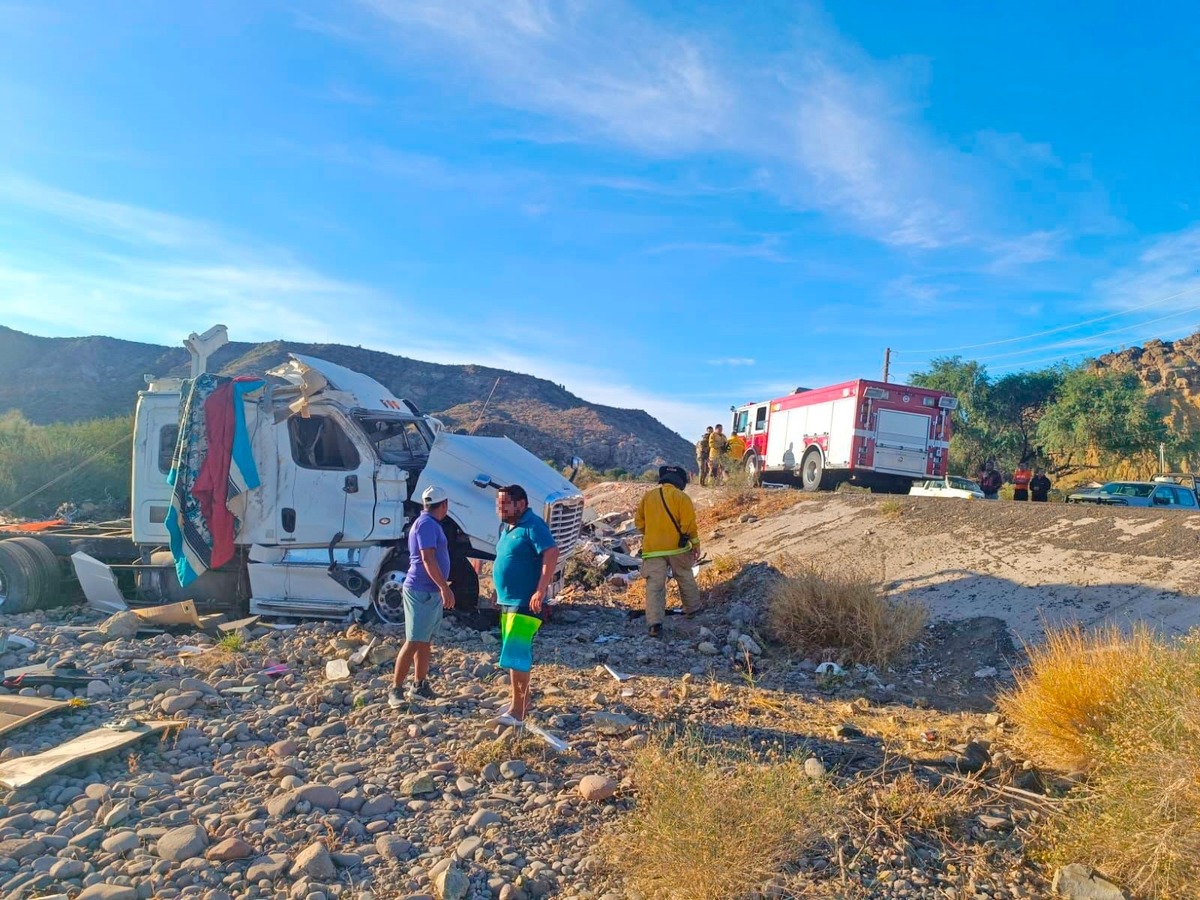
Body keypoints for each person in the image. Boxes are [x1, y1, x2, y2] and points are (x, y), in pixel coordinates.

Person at [492, 484, 559, 725]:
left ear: (520, 503)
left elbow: (551, 553)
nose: (499, 508)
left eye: (504, 504)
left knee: (517, 655)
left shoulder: (533, 525)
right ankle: (519, 702)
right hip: (508, 601)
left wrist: (540, 590)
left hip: (524, 602)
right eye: (498, 504)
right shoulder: (508, 527)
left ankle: (518, 712)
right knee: (512, 656)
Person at [389, 485, 455, 710]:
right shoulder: (427, 525)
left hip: (428, 590)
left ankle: (419, 685)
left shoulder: (428, 523)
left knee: (424, 639)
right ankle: (395, 689)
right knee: (414, 640)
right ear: (444, 505)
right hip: (421, 589)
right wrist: (443, 587)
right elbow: (428, 559)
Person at [634, 465, 701, 639]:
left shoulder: (648, 497)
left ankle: (654, 624)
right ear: (680, 482)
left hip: (653, 550)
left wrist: (652, 534)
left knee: (654, 586)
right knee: (685, 577)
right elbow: (688, 525)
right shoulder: (682, 498)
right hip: (678, 548)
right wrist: (694, 544)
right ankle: (693, 611)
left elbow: (639, 522)